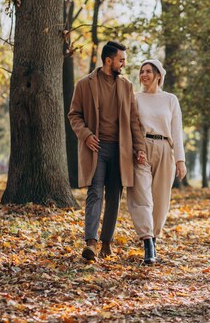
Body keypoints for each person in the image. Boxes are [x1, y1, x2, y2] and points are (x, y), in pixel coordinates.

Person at [68, 41, 147, 261]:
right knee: (95, 193)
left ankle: (106, 243)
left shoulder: (126, 86)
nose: (124, 64)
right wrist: (86, 135)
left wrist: (139, 148)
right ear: (108, 60)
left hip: (120, 150)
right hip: (96, 148)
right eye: (121, 59)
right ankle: (90, 243)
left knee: (114, 195)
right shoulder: (85, 84)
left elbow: (134, 121)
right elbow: (74, 115)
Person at [127, 59, 186, 265]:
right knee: (141, 195)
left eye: (148, 71)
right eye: (142, 71)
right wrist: (137, 148)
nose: (144, 75)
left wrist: (180, 160)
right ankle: (147, 242)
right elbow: (131, 126)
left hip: (164, 149)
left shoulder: (170, 100)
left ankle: (154, 235)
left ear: (158, 75)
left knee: (160, 200)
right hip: (142, 149)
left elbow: (177, 132)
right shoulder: (135, 98)